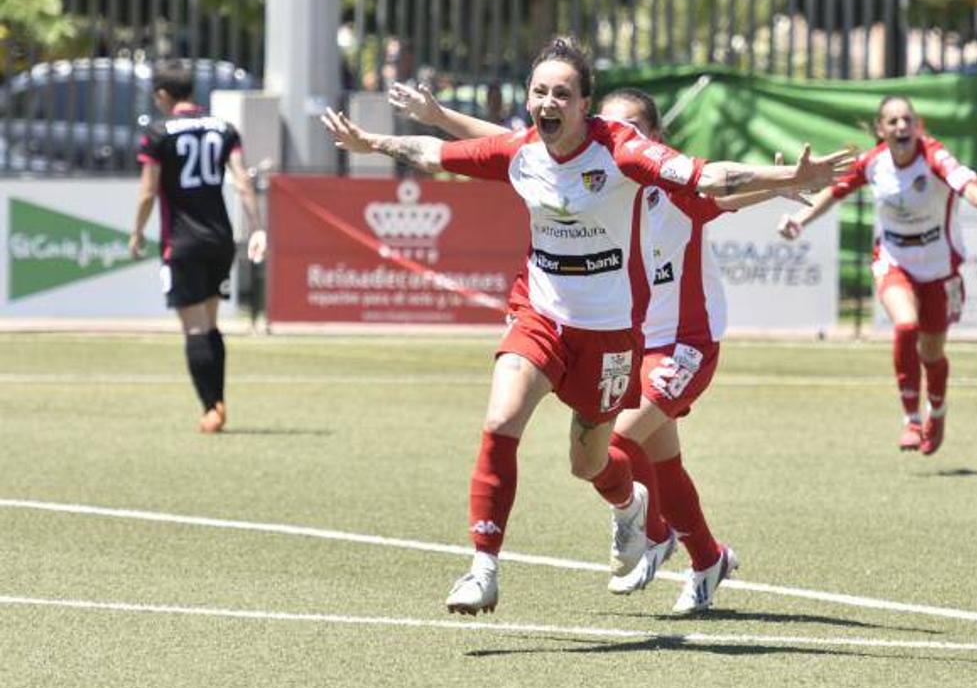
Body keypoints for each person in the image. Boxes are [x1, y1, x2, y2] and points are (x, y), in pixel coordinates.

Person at [323, 36, 848, 616]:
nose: (550, 103)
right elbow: (478, 148)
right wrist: (383, 136)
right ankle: (487, 566)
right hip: (548, 317)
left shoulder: (642, 169)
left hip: (658, 340)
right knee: (508, 420)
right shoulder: (536, 150)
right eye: (540, 92)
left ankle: (665, 534)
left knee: (603, 454)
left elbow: (714, 179)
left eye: (563, 94)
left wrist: (781, 181)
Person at [778, 95, 977, 454]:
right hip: (894, 257)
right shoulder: (873, 163)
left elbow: (966, 184)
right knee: (906, 326)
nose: (901, 127)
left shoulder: (934, 155)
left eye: (907, 120)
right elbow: (835, 192)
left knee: (932, 354)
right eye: (892, 121)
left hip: (939, 264)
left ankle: (937, 410)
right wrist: (799, 220)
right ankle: (911, 419)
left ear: (917, 125)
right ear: (880, 129)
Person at [129, 59, 267, 433]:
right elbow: (242, 182)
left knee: (193, 329)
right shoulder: (224, 129)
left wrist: (137, 232)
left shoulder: (159, 134)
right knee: (210, 324)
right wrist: (256, 228)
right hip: (219, 240)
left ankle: (211, 408)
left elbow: (147, 192)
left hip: (183, 242)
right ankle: (218, 402)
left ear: (162, 95)